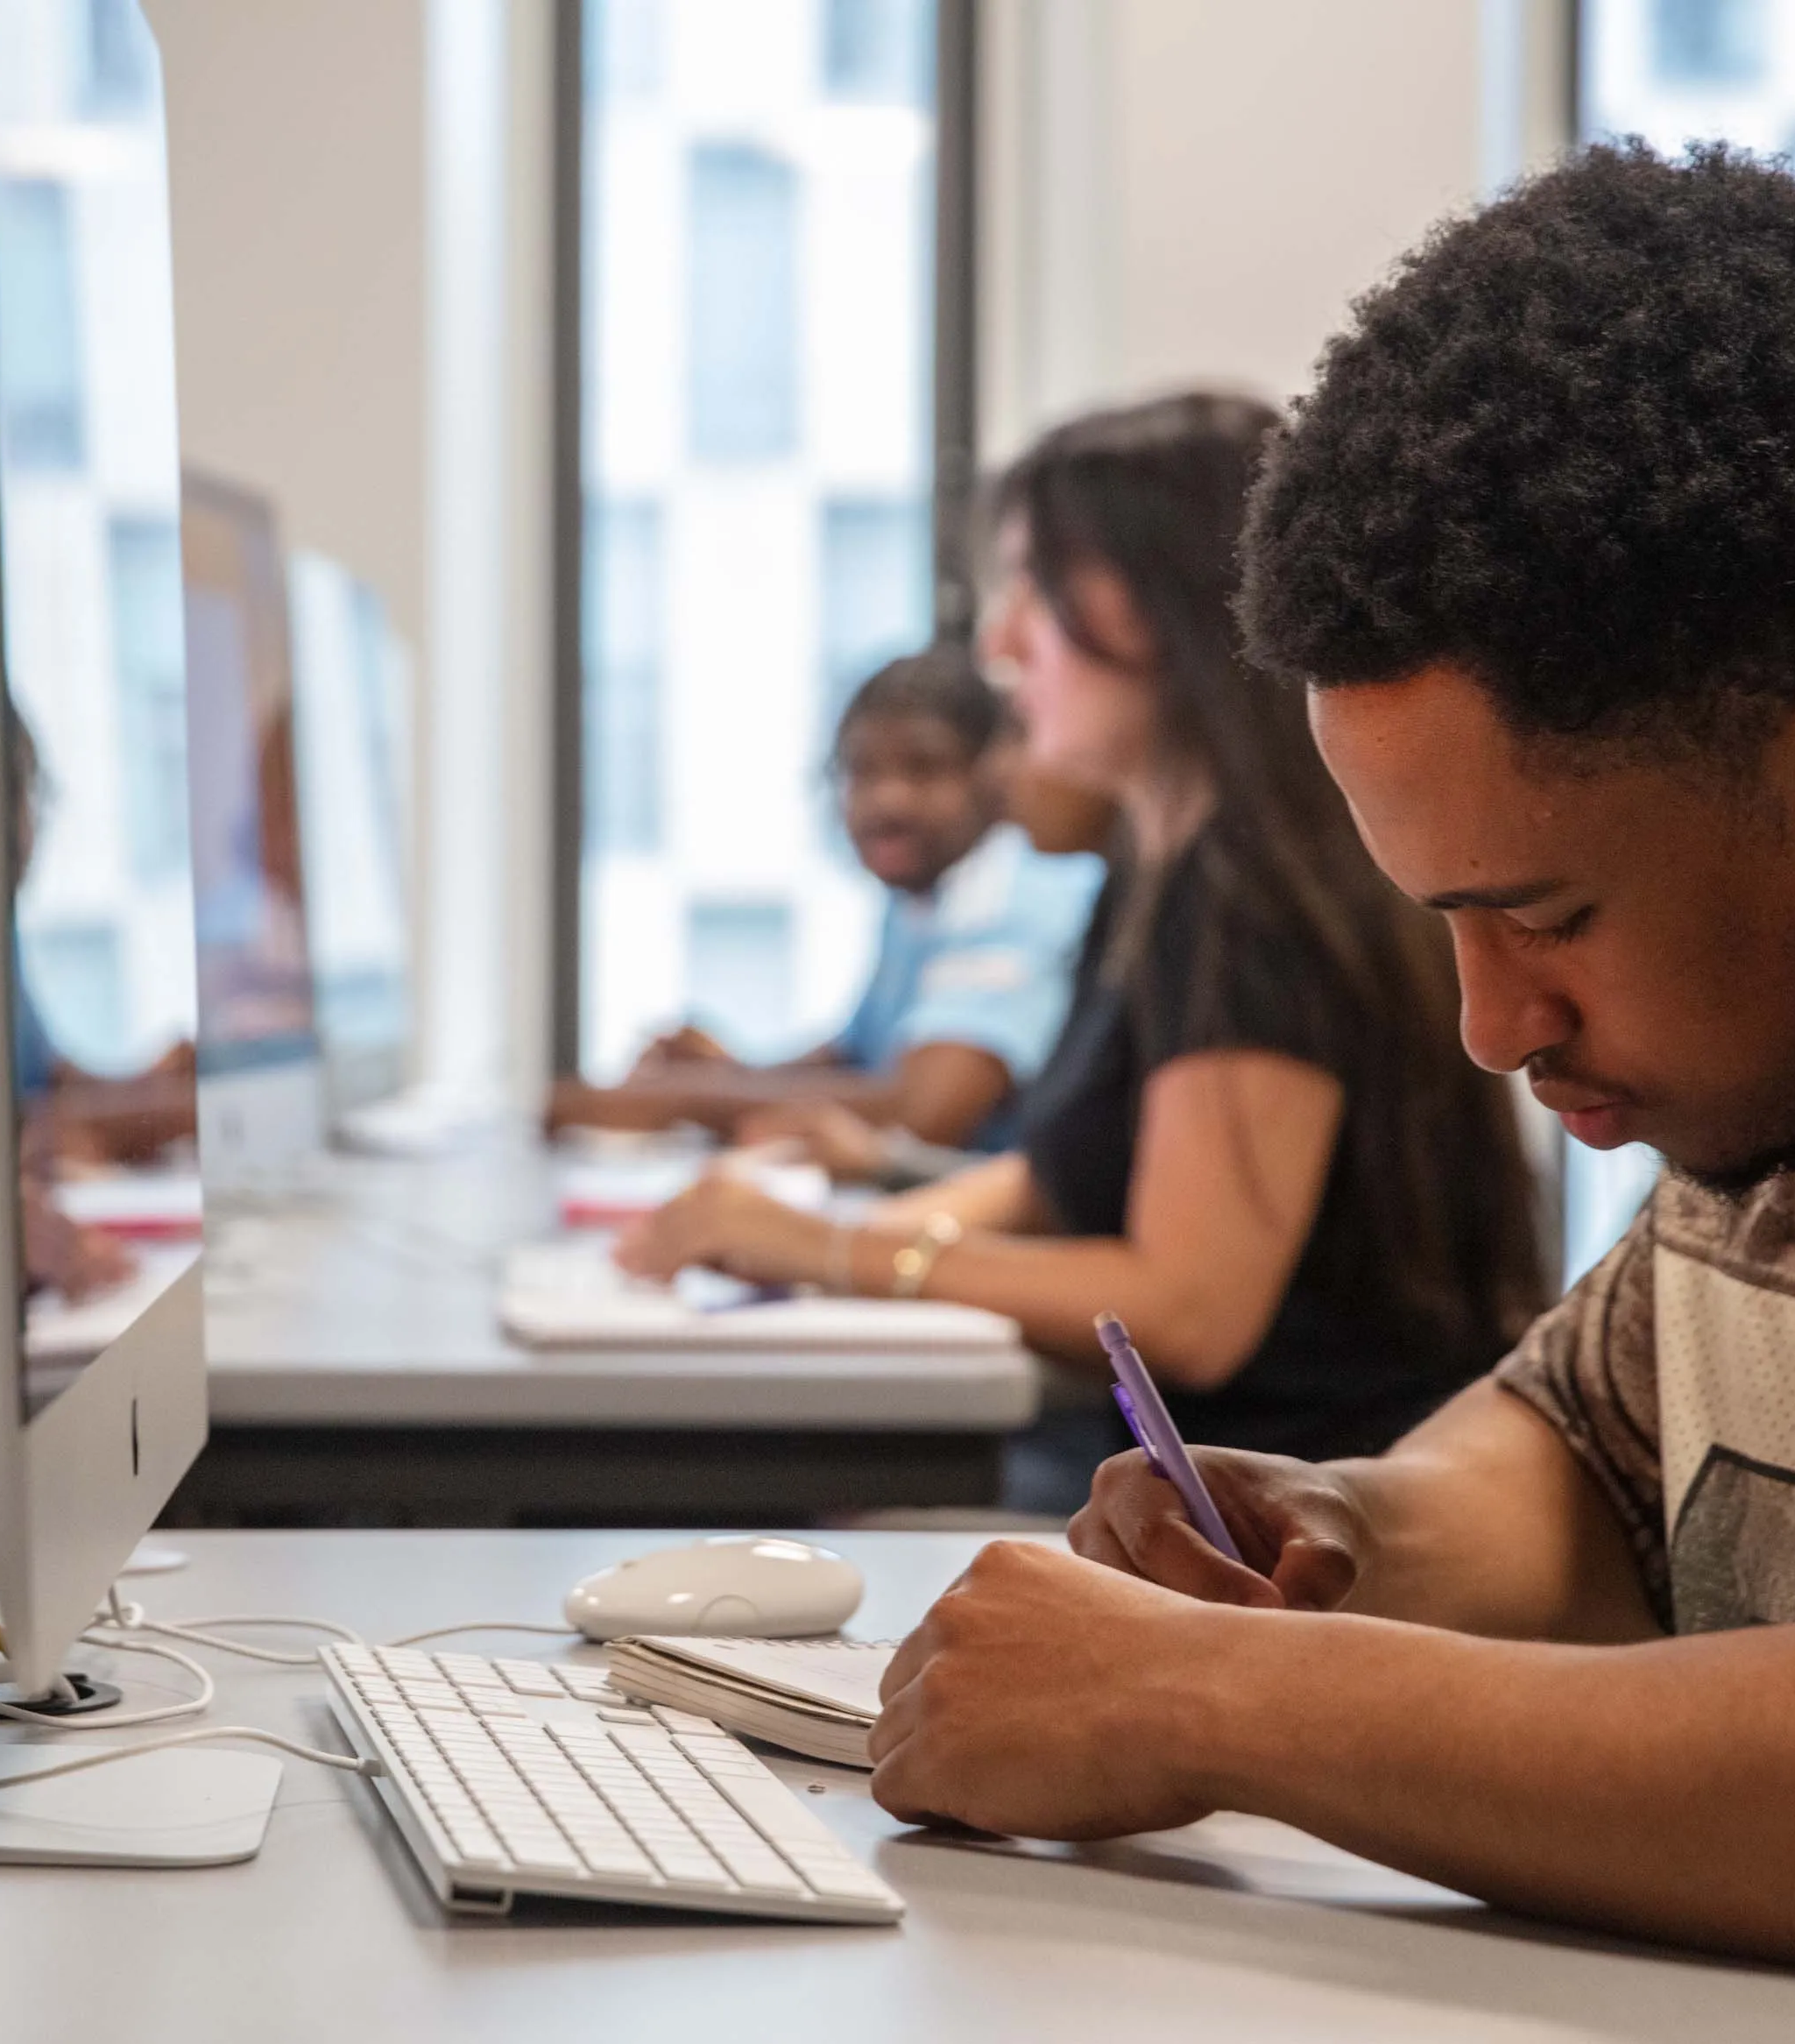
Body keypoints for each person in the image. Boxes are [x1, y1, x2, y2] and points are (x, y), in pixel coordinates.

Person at [864, 145, 1795, 2039]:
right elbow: (1588, 1454)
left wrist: (1192, 1697)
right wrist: (1337, 1530)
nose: (1492, 1024)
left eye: (1544, 913)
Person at [619, 393, 1546, 1510]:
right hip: (1185, 1481)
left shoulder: (1253, 906)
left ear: (1140, 609)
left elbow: (1190, 1311)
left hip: (1283, 1517)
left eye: (1030, 589)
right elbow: (1066, 1172)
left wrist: (834, 1253)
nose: (1003, 644)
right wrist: (802, 1230)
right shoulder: (1163, 873)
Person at [550, 646, 1104, 1153]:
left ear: (992, 773)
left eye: (924, 769)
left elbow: (923, 1111)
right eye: (862, 771)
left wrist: (678, 1098)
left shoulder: (1017, 889)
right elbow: (856, 1058)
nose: (887, 800)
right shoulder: (922, 897)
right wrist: (735, 1074)